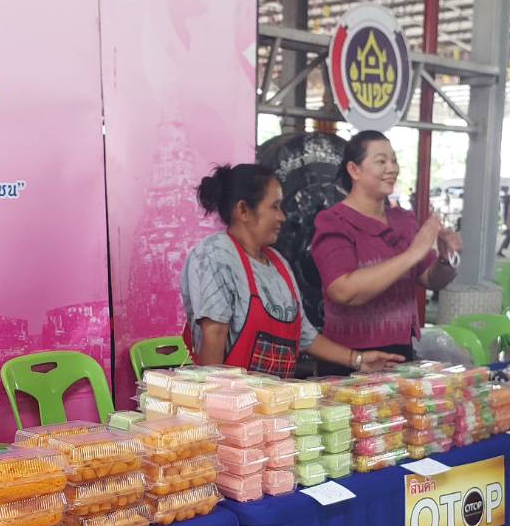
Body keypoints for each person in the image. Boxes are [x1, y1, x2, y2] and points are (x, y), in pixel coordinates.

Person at [181, 163, 402, 377]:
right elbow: (214, 334)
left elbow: (304, 335)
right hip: (233, 404)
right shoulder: (215, 255)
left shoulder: (278, 263)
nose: (282, 217)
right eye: (274, 207)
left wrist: (359, 360)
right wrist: (215, 405)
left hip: (274, 404)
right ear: (243, 210)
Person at [311, 131, 461, 371]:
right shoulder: (333, 222)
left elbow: (430, 280)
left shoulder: (403, 220)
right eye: (381, 161)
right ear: (354, 170)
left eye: (394, 160)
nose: (392, 168)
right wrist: (413, 253)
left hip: (401, 354)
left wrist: (446, 259)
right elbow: (344, 290)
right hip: (350, 359)